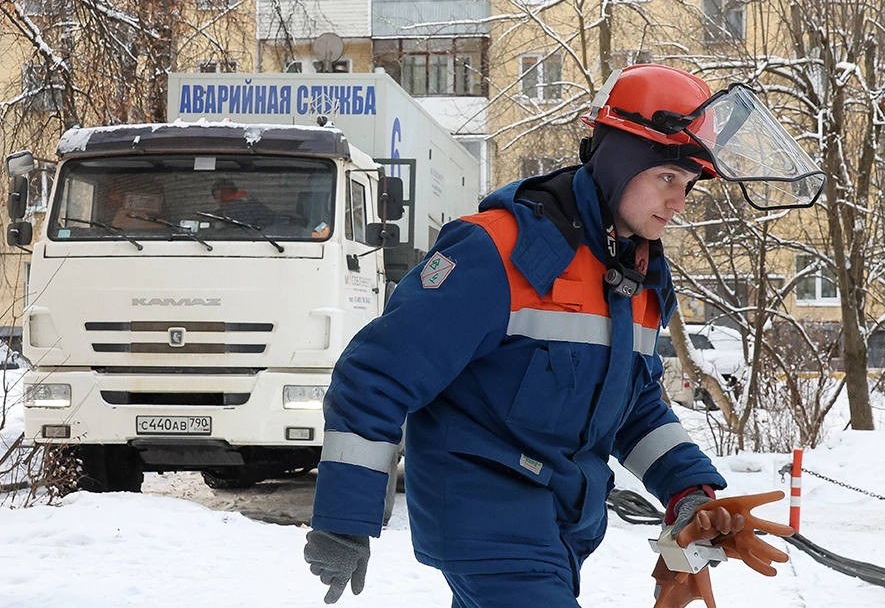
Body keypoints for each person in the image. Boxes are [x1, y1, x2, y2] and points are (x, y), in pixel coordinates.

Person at [303, 64, 825, 606]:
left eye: (687, 186)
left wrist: (688, 489)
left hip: (560, 527)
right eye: (667, 179)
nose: (679, 203)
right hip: (482, 519)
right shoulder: (496, 251)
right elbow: (377, 375)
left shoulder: (640, 277)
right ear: (620, 166)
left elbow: (636, 405)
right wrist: (345, 519)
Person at [210, 178, 275, 229]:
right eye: (217, 198)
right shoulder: (216, 215)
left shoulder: (241, 208)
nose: (220, 201)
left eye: (224, 196)